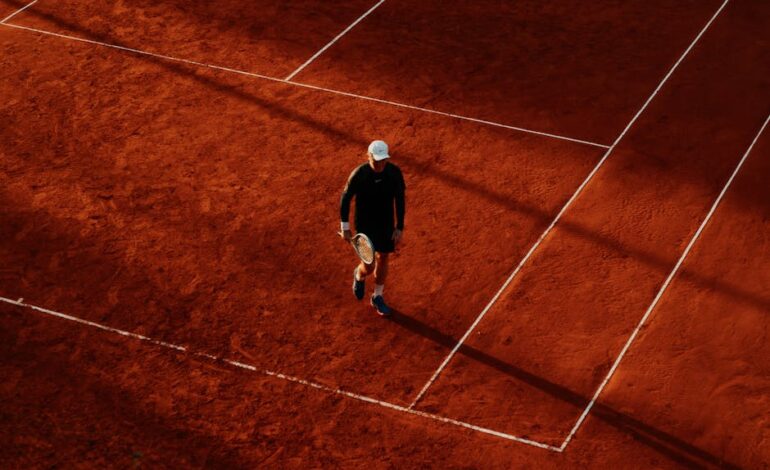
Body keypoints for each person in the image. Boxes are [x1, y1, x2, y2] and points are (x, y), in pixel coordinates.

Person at [340, 140, 405, 316]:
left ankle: (377, 296)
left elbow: (400, 199)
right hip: (364, 225)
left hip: (385, 223)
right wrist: (345, 227)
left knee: (383, 257)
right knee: (368, 265)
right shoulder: (359, 174)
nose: (380, 164)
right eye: (376, 161)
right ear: (369, 157)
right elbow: (346, 198)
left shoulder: (394, 173)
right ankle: (359, 275)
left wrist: (399, 227)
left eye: (383, 160)